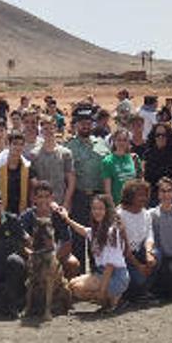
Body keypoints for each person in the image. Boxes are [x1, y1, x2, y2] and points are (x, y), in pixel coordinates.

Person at [59, 194, 130, 312]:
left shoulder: (112, 231)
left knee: (78, 289)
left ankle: (112, 299)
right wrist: (66, 218)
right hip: (102, 273)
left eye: (101, 209)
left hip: (115, 275)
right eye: (94, 209)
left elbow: (110, 265)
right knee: (72, 284)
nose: (97, 212)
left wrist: (102, 291)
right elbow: (82, 230)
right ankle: (110, 298)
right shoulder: (97, 229)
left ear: (107, 210)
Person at [66, 106, 110, 269]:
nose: (85, 126)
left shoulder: (102, 145)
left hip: (98, 198)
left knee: (98, 237)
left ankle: (97, 272)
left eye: (88, 123)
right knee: (78, 238)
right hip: (79, 196)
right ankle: (79, 276)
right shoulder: (70, 146)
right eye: (82, 123)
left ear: (92, 125)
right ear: (76, 125)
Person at [20, 181, 79, 278]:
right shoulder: (26, 216)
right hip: (33, 254)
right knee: (18, 263)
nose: (44, 200)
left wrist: (53, 259)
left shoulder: (59, 216)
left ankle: (67, 291)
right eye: (40, 197)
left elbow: (67, 243)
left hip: (55, 254)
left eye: (47, 196)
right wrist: (33, 256)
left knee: (73, 263)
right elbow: (20, 240)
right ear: (34, 199)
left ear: (52, 198)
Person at [118, 180, 157, 299]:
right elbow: (123, 247)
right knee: (137, 279)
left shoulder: (146, 213)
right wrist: (139, 266)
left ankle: (144, 291)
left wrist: (149, 253)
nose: (143, 198)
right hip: (125, 257)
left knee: (157, 256)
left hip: (141, 252)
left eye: (145, 195)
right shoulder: (119, 215)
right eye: (140, 195)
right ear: (130, 196)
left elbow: (149, 235)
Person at [30, 116, 75, 213]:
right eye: (45, 129)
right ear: (41, 131)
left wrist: (66, 203)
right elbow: (33, 182)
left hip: (60, 203)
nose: (49, 131)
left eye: (51, 128)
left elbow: (71, 181)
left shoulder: (65, 153)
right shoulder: (34, 154)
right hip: (41, 205)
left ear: (56, 129)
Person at [0, 132, 38, 215]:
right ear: (8, 144)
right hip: (0, 213)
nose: (18, 147)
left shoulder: (28, 166)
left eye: (21, 144)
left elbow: (34, 188)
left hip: (21, 213)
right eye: (15, 144)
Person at [141, 121, 172, 206]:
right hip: (151, 198)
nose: (160, 137)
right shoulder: (148, 154)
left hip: (169, 197)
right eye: (157, 135)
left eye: (164, 135)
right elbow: (144, 175)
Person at [101, 128, 141, 205]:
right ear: (114, 141)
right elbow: (107, 190)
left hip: (134, 204)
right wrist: (112, 209)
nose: (121, 143)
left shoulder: (134, 158)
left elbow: (140, 183)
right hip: (117, 204)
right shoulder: (108, 161)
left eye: (125, 140)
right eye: (119, 140)